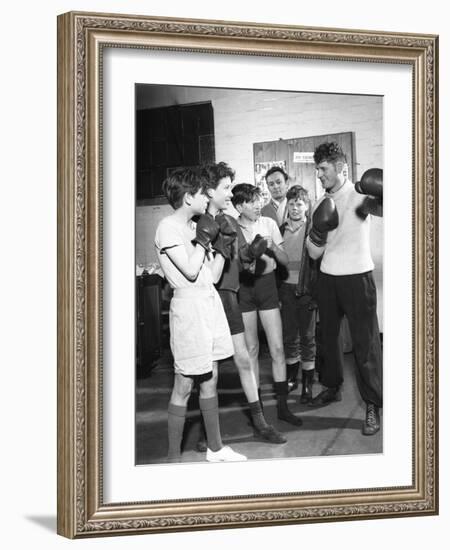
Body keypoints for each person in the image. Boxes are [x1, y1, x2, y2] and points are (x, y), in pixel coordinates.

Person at [154, 167, 247, 462]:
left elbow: (212, 275)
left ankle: (215, 449)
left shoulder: (195, 227)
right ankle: (173, 457)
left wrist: (222, 248)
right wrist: (205, 240)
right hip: (188, 308)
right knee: (184, 382)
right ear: (187, 197)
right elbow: (190, 270)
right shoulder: (167, 227)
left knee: (211, 377)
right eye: (201, 193)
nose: (207, 197)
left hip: (208, 303)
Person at [200, 162, 286, 444]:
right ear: (209, 191)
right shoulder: (196, 222)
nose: (229, 194)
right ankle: (208, 432)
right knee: (205, 370)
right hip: (203, 300)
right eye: (225, 188)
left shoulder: (229, 224)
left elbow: (243, 265)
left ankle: (261, 423)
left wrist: (251, 253)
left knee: (244, 360)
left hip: (229, 296)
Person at [306, 142, 383, 436]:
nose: (319, 174)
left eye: (323, 169)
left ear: (340, 168)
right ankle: (331, 387)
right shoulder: (318, 203)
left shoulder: (361, 195)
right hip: (328, 278)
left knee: (365, 345)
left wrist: (387, 192)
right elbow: (313, 254)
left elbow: (397, 210)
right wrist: (318, 230)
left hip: (358, 277)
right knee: (328, 339)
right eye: (317, 169)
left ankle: (373, 404)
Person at [232, 183, 303, 426]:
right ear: (240, 205)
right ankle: (258, 412)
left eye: (259, 200)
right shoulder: (233, 228)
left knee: (277, 348)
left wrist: (273, 246)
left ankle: (283, 407)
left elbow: (284, 260)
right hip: (245, 290)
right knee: (251, 350)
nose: (258, 205)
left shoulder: (269, 224)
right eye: (252, 201)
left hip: (267, 287)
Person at [278, 185, 317, 403]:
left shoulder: (312, 229)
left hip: (306, 290)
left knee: (308, 337)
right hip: (285, 288)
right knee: (289, 336)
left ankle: (308, 385)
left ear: (307, 206)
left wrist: (316, 292)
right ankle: (292, 378)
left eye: (299, 204)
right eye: (291, 204)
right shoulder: (280, 228)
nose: (295, 208)